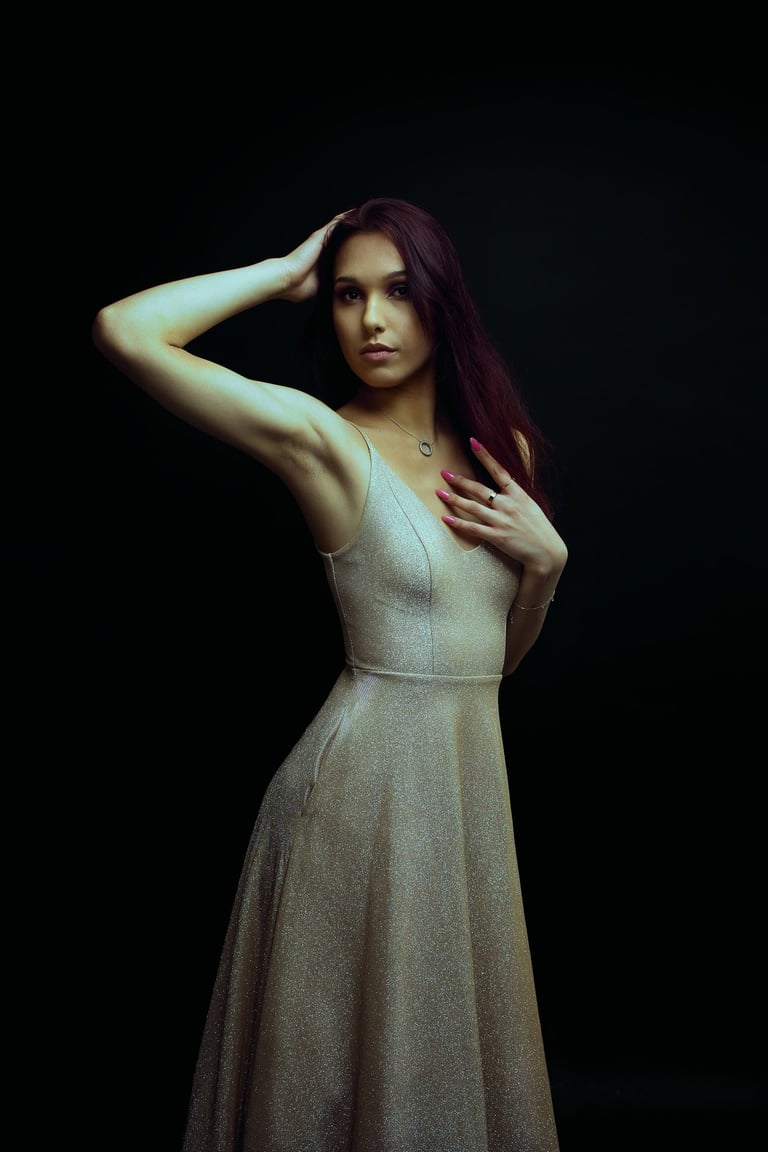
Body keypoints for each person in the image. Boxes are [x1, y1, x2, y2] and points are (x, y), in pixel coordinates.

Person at [92, 196, 568, 1152]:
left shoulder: (499, 453)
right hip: (356, 796)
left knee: (436, 1060)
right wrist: (281, 274)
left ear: (442, 302)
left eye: (398, 291)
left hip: (462, 794)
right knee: (330, 1082)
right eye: (349, 296)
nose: (372, 321)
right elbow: (125, 331)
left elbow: (488, 669)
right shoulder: (322, 440)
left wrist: (547, 568)